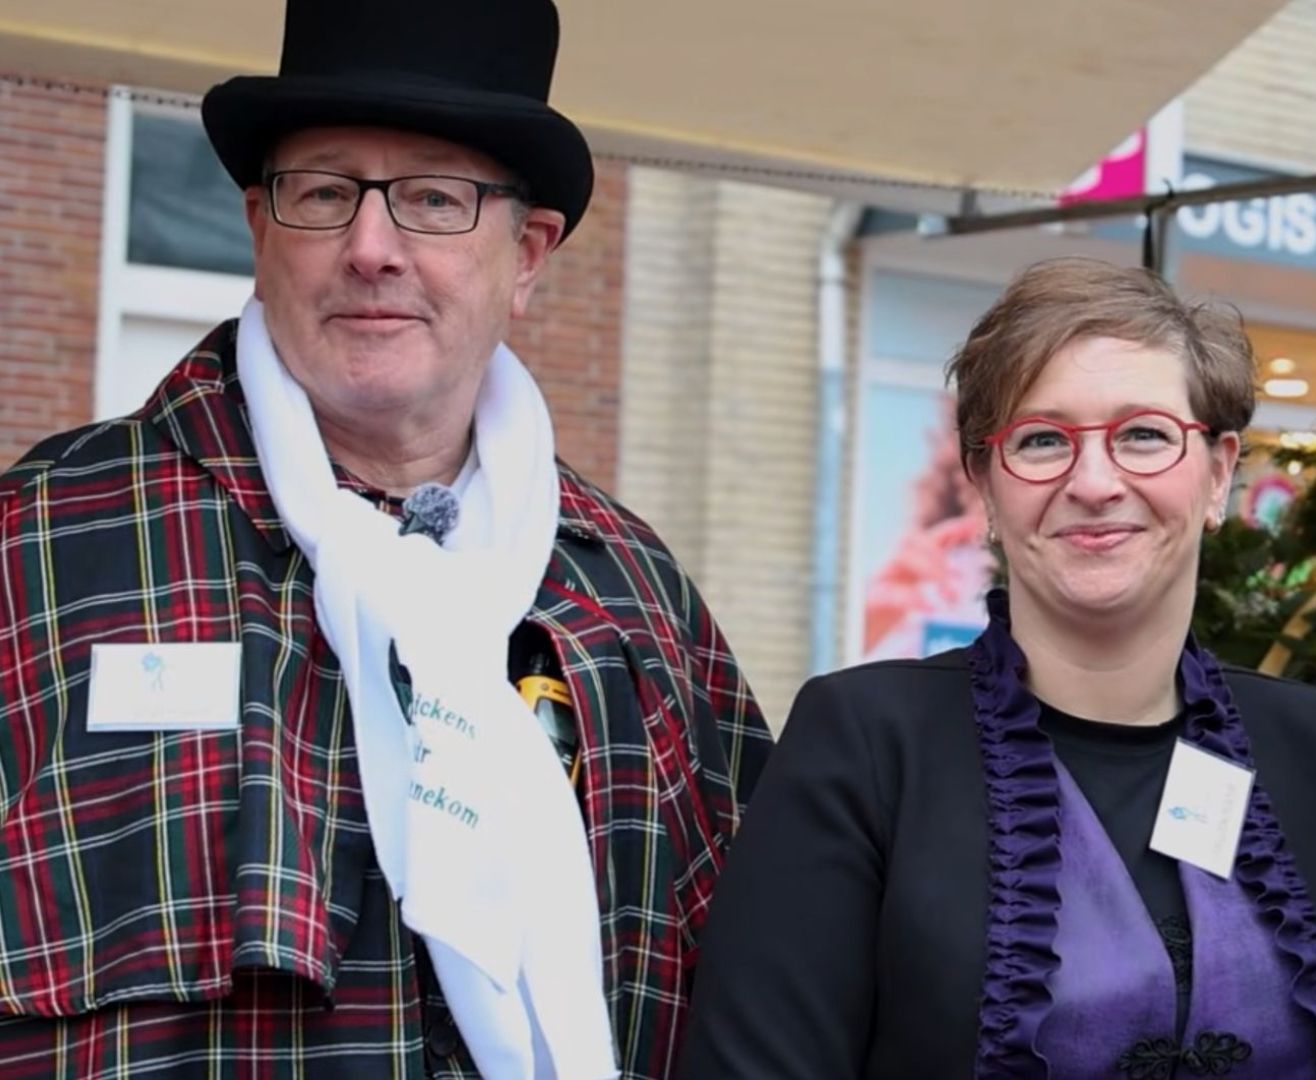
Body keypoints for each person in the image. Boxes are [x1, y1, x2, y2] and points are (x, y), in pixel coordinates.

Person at [0, 1, 770, 1076]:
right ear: (259, 227)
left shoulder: (637, 601)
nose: (371, 249)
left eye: (432, 200)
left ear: (529, 253)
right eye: (322, 193)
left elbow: (757, 997)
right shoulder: (38, 547)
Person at [679, 259, 1316, 1079]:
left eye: (1143, 434)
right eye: (1042, 441)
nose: (1095, 483)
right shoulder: (864, 746)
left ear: (1217, 472)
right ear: (987, 490)